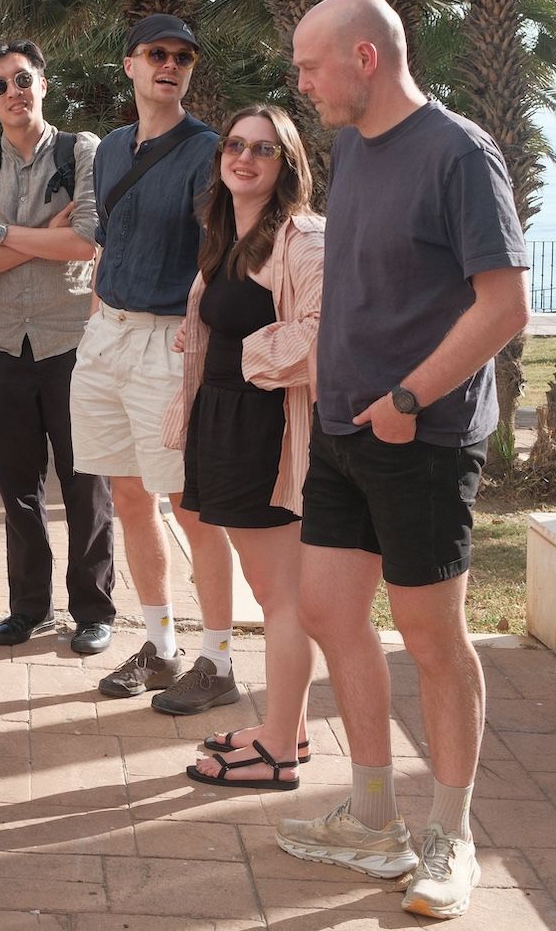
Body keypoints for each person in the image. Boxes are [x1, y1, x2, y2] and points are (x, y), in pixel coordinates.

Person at [275, 0, 529, 921]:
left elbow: (503, 307)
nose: (301, 84)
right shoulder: (356, 145)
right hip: (344, 431)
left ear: (365, 58)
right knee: (329, 611)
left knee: (431, 640)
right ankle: (374, 815)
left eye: (311, 67)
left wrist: (409, 398)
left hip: (419, 439)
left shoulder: (459, 154)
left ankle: (451, 837)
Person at [158, 105, 325, 775]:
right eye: (235, 145)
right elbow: (223, 317)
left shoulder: (304, 238)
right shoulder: (229, 234)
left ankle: (278, 751)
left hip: (265, 432)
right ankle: (291, 730)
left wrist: (249, 354)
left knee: (282, 596)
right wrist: (201, 332)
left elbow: (326, 331)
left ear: (288, 166)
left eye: (264, 149)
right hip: (222, 422)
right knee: (273, 590)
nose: (245, 158)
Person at [70, 14, 220, 701]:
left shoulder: (207, 151)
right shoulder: (110, 151)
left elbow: (220, 256)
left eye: (183, 56)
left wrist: (198, 334)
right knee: (128, 496)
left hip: (169, 339)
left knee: (191, 504)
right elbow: (108, 238)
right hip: (108, 336)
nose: (171, 63)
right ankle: (160, 644)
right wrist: (99, 311)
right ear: (129, 64)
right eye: (157, 53)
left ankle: (216, 660)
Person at [0, 40, 114, 654]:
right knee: (17, 485)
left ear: (43, 82)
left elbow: (87, 240)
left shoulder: (83, 151)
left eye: (22, 79)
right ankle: (28, 608)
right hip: (0, 346)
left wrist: (5, 235)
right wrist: (45, 231)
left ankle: (94, 609)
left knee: (84, 483)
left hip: (73, 341)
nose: (13, 92)